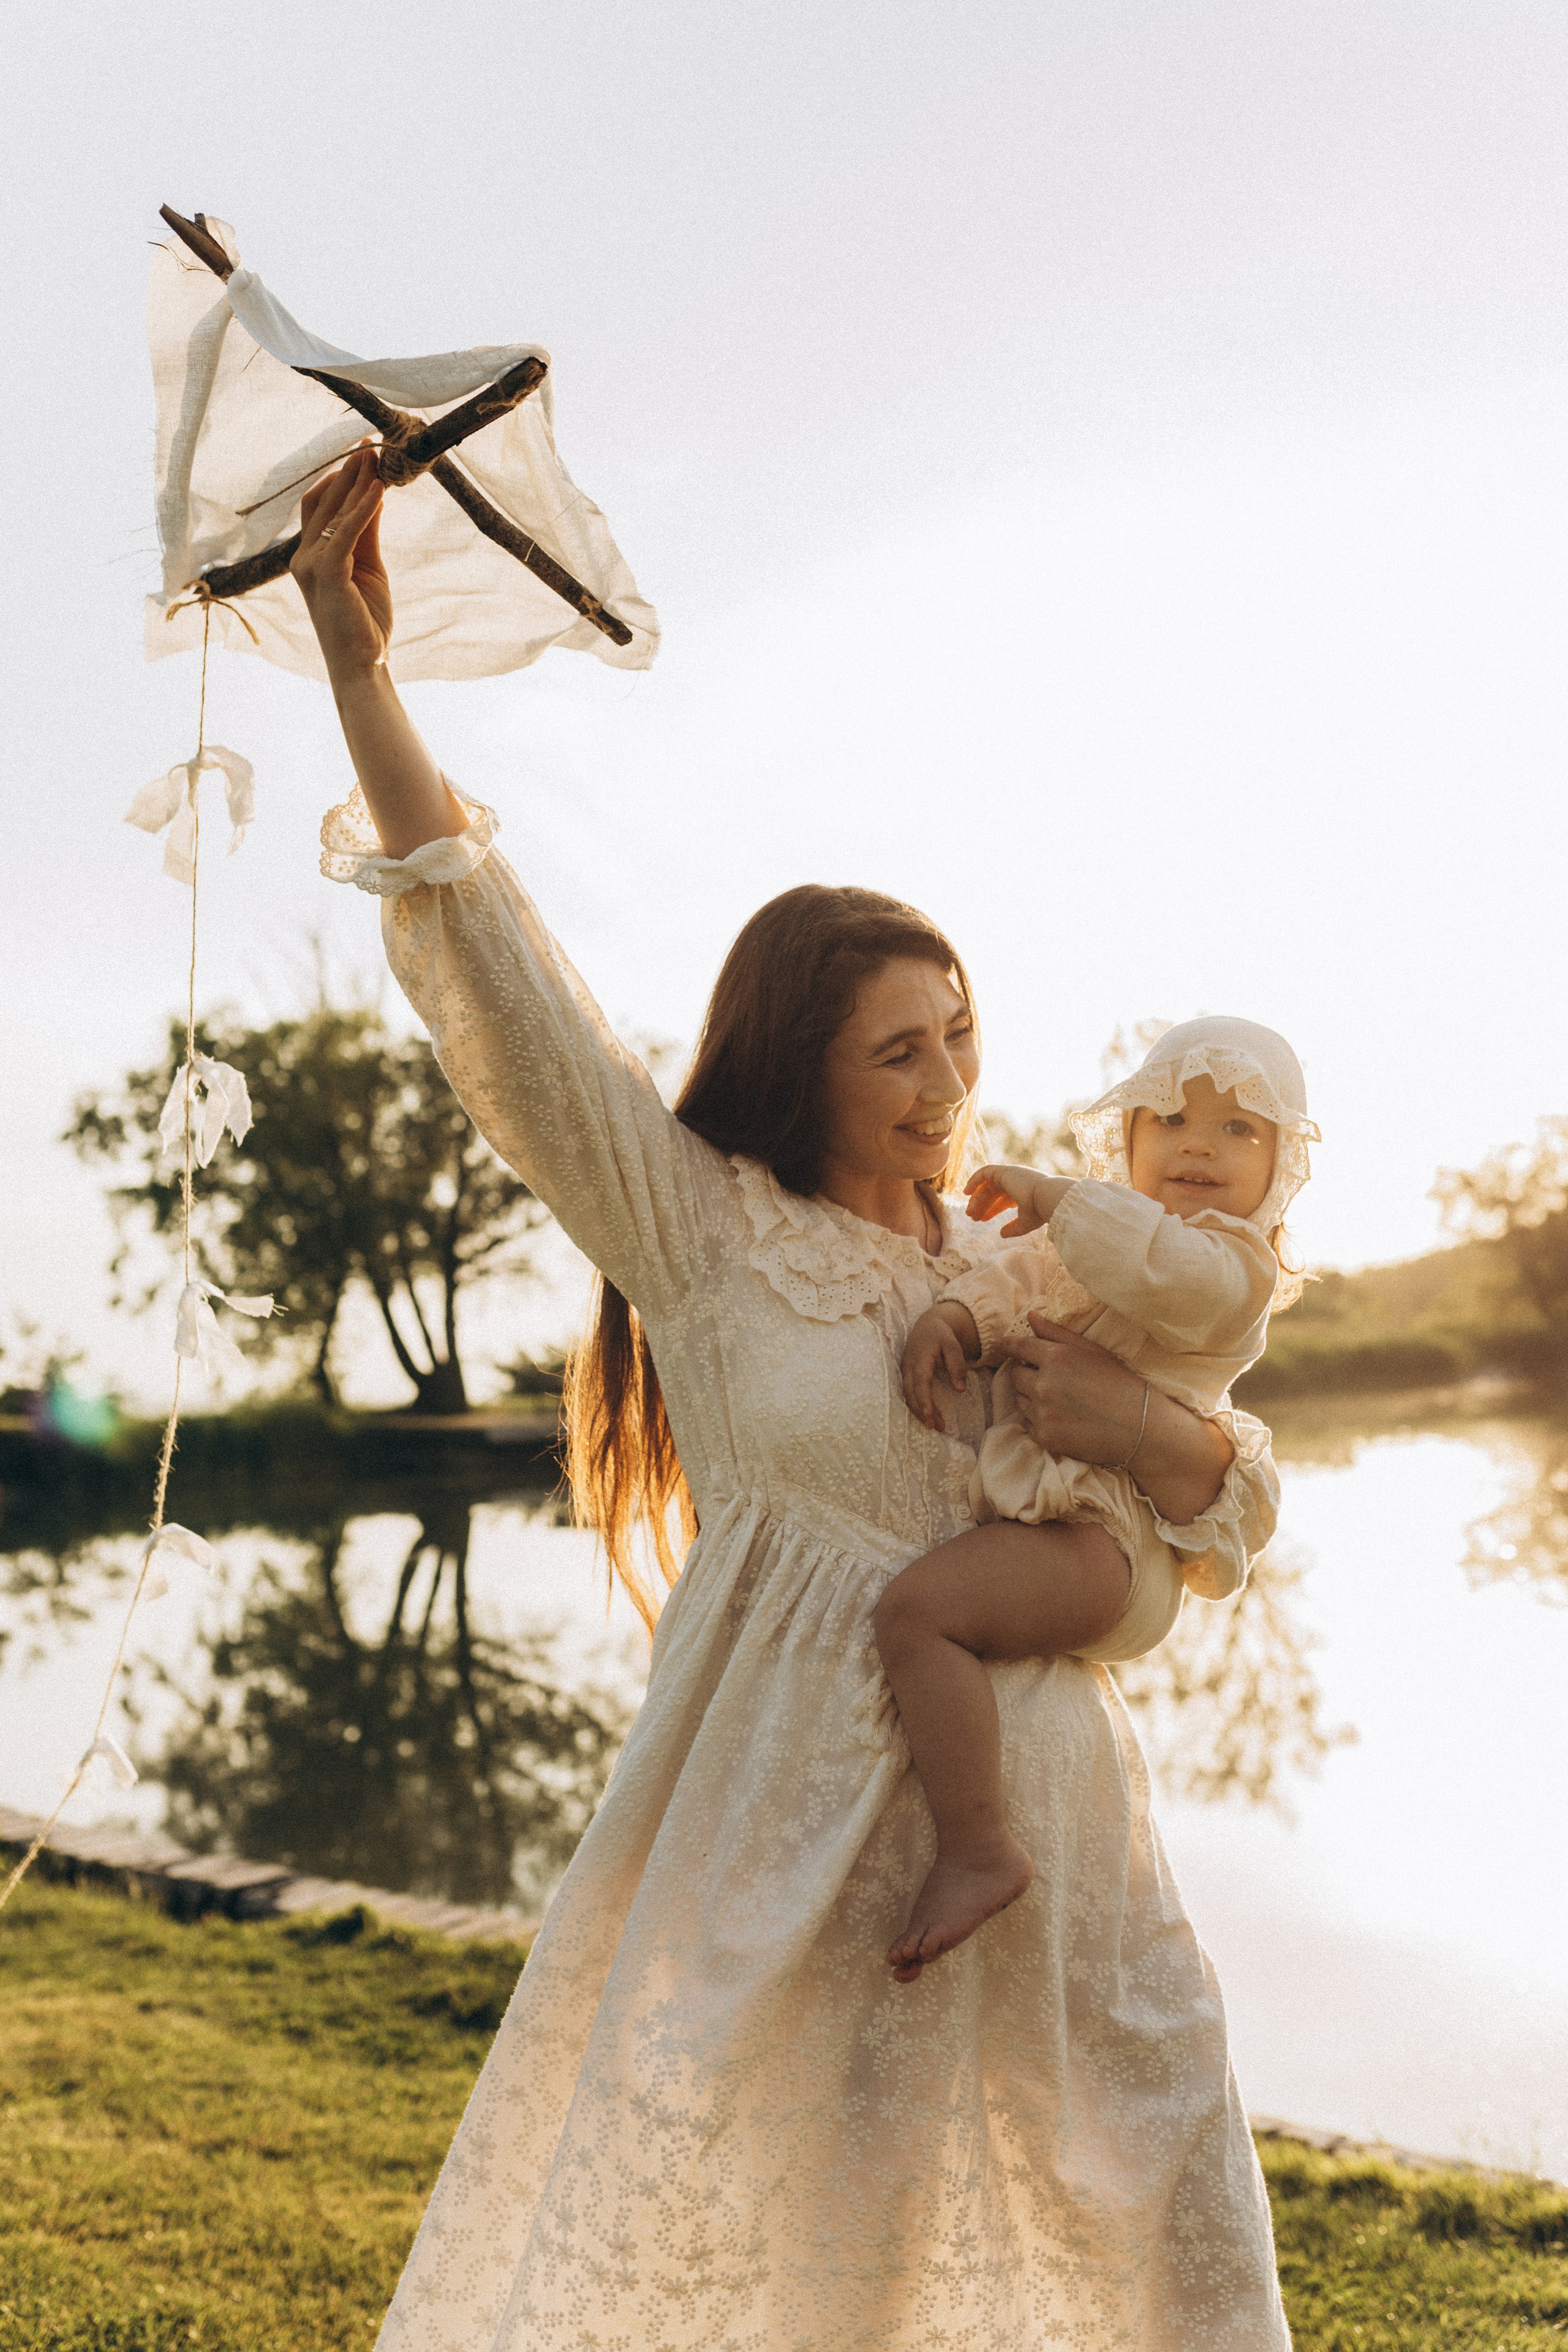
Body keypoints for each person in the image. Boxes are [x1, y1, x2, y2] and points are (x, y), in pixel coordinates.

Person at [292, 448, 1293, 2351]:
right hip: (804, 1849)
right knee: (819, 2282)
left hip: (1068, 1852)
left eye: (962, 1036)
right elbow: (504, 987)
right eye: (898, 1049)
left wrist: (1135, 1447)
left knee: (1148, 2258)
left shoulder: (1018, 1262)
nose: (946, 1081)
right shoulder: (708, 1234)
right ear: (799, 1062)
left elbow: (1214, 1513)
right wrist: (364, 673)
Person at [877, 1019, 1317, 1978]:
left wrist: (1058, 1196)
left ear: (1282, 1166)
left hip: (1108, 1537)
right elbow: (1021, 1278)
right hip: (1067, 1515)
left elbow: (1161, 1270)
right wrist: (955, 1315)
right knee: (926, 1610)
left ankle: (979, 1848)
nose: (1200, 1145)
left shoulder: (1237, 1269)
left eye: (1240, 1131)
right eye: (1171, 1120)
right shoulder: (1097, 1235)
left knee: (917, 1614)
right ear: (1131, 1137)